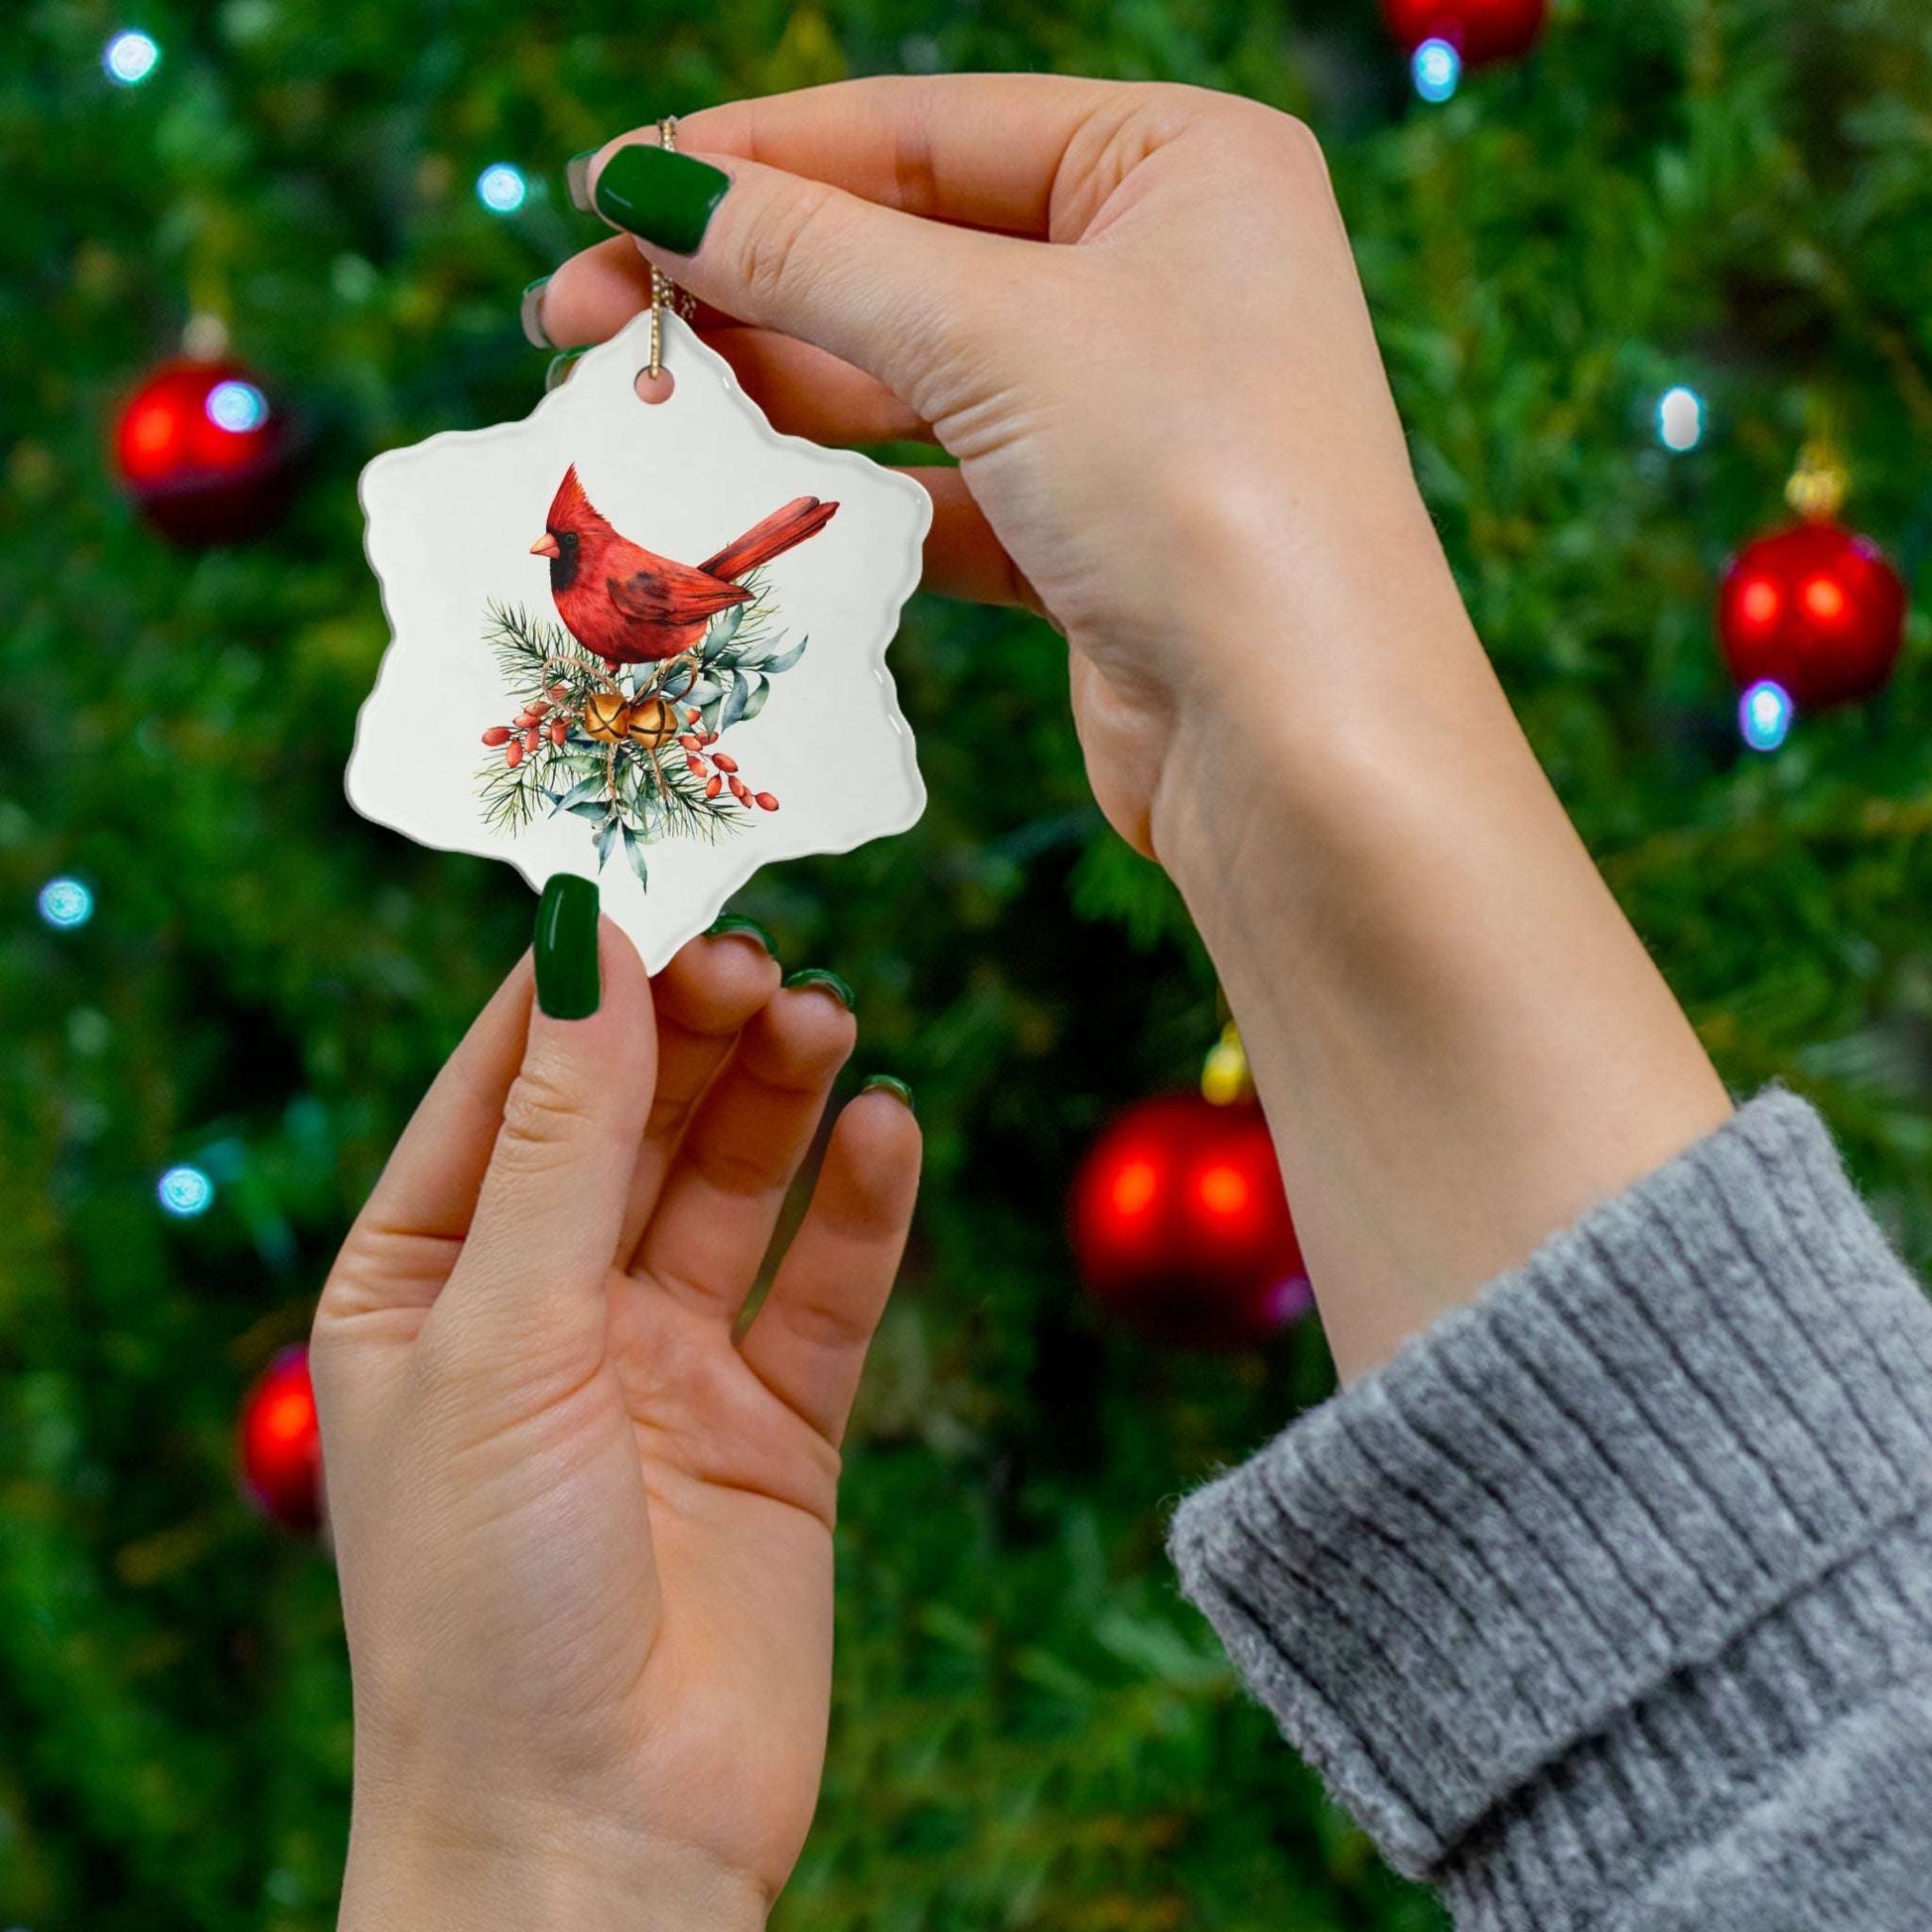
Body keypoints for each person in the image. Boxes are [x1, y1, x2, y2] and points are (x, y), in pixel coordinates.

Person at [313, 75, 1932, 1931]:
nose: (570, 566)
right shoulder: (569, 561)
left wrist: (521, 1851)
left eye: (571, 554)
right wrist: (561, 1845)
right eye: (567, 555)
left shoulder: (646, 582)